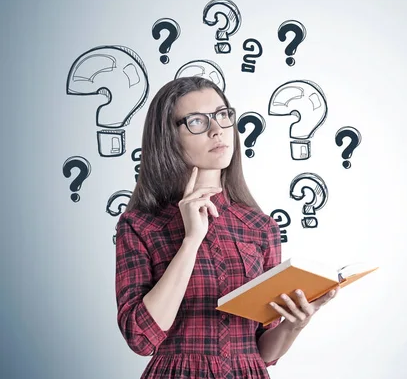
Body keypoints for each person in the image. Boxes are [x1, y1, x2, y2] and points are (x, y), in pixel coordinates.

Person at [114, 76, 340, 379]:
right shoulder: (140, 225)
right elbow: (141, 339)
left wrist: (294, 324)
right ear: (168, 137)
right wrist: (191, 240)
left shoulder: (261, 227)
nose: (217, 129)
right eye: (196, 121)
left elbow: (262, 352)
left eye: (222, 115)